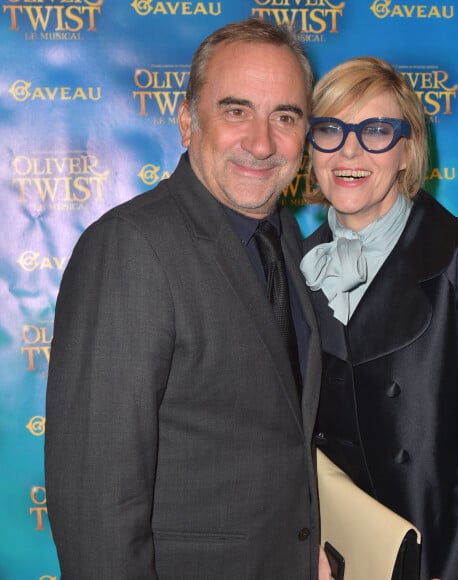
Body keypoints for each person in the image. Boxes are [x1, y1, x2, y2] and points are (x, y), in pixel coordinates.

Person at [45, 18, 330, 580]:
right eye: (235, 110)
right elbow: (96, 499)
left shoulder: (292, 242)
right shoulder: (131, 247)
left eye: (285, 116)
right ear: (186, 120)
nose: (261, 142)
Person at [301, 57, 458, 580]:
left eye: (375, 131)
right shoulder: (295, 264)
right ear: (310, 147)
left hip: (456, 551)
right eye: (330, 128)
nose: (349, 150)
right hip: (349, 557)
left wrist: (447, 569)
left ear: (407, 150)